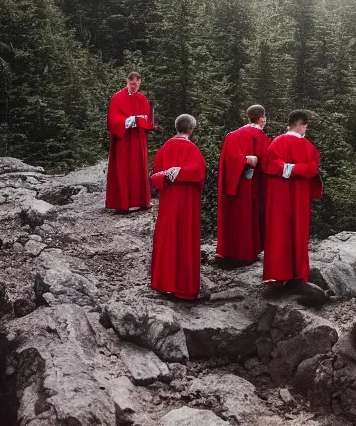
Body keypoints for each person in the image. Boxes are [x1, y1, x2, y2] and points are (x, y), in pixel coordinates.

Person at [263, 110, 326, 301]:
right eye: (305, 125)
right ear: (300, 124)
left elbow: (271, 165)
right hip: (299, 197)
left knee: (278, 233)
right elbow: (312, 170)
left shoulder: (276, 142)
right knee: (297, 232)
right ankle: (298, 274)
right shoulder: (309, 147)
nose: (305, 129)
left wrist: (286, 168)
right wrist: (296, 169)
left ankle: (278, 275)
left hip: (279, 197)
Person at [149, 114, 206, 300]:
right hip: (187, 204)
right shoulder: (194, 150)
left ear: (176, 128)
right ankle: (185, 288)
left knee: (167, 239)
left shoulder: (164, 149)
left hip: (168, 202)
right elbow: (199, 174)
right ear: (192, 129)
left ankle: (164, 283)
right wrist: (182, 173)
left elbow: (155, 176)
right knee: (185, 241)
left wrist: (169, 174)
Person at [216, 105, 270, 262]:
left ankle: (228, 251)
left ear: (248, 117)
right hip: (252, 185)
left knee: (234, 216)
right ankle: (247, 253)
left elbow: (229, 159)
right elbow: (268, 163)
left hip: (235, 184)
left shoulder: (232, 136)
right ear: (262, 118)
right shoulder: (262, 138)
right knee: (249, 217)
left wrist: (242, 160)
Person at [106, 72, 154, 212]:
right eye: (132, 84)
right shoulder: (117, 97)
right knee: (123, 168)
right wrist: (128, 121)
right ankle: (122, 203)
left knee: (139, 168)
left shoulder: (142, 98)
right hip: (123, 139)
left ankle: (142, 201)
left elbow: (148, 118)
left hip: (138, 138)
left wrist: (140, 120)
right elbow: (112, 120)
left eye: (138, 84)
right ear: (128, 81)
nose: (135, 86)